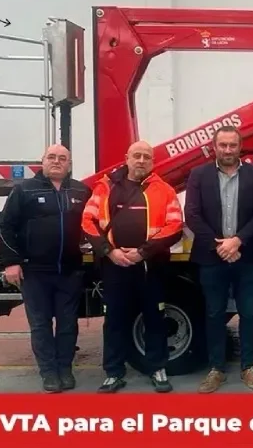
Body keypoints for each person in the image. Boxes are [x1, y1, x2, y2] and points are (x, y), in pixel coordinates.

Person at [81, 140, 184, 394]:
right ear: (126, 158)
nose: (141, 160)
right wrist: (110, 251)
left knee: (155, 318)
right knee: (114, 320)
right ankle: (113, 372)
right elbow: (87, 221)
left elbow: (175, 226)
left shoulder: (164, 190)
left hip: (151, 267)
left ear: (153, 162)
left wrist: (142, 253)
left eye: (146, 157)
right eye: (136, 156)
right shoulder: (105, 187)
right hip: (114, 266)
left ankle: (157, 368)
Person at [0, 144, 92, 393]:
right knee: (40, 325)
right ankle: (49, 373)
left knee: (67, 324)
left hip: (70, 271)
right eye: (52, 157)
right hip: (35, 272)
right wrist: (11, 262)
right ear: (42, 161)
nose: (57, 161)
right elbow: (5, 226)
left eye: (63, 158)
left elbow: (94, 223)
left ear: (69, 164)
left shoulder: (81, 191)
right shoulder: (24, 190)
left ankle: (65, 369)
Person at [184, 125, 253, 393]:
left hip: (246, 254)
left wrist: (237, 241)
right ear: (214, 146)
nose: (228, 150)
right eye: (223, 145)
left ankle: (249, 367)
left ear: (240, 146)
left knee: (248, 313)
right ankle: (216, 369)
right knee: (214, 314)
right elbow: (193, 214)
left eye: (232, 145)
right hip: (212, 257)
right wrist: (218, 244)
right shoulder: (198, 175)